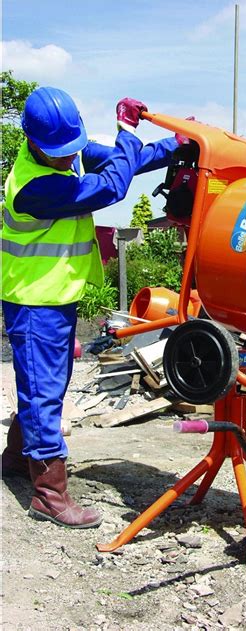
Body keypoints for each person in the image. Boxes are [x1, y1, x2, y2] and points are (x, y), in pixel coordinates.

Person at [1, 86, 186, 528]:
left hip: (54, 299)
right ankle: (49, 493)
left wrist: (176, 146)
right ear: (33, 142)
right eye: (60, 152)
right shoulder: (33, 187)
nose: (71, 158)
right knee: (44, 388)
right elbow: (112, 187)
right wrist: (125, 130)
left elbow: (127, 161)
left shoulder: (63, 155)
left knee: (49, 380)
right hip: (33, 302)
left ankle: (14, 457)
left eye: (73, 149)